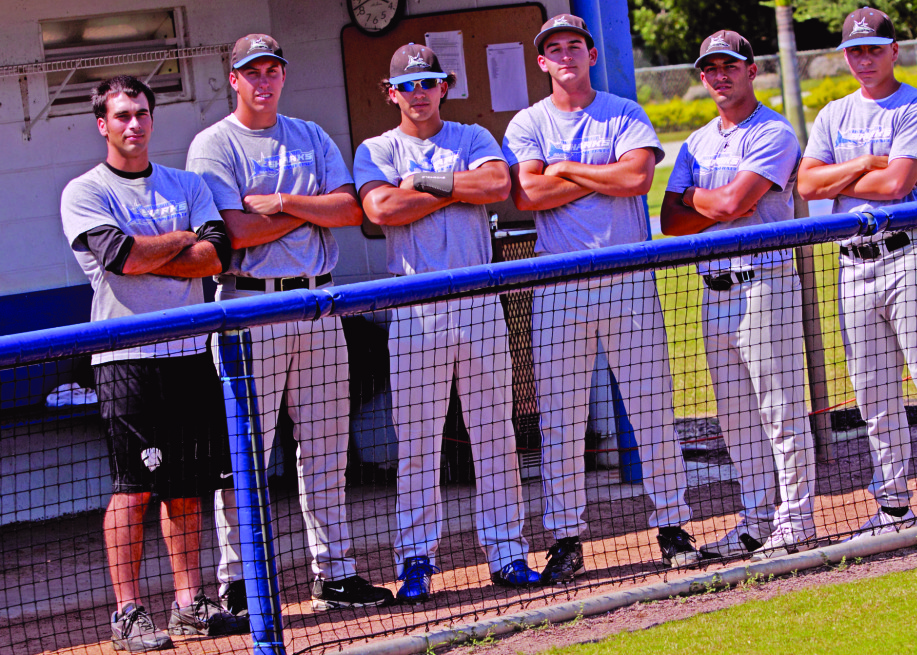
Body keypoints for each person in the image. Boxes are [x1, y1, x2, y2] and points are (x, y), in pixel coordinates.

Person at [186, 34, 393, 611]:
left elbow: (350, 210)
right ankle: (240, 581)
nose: (263, 80)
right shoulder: (214, 144)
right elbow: (234, 233)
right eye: (252, 71)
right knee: (244, 454)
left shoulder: (310, 134)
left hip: (318, 303)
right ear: (234, 79)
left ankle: (335, 571)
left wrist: (278, 203)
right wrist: (308, 205)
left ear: (282, 74)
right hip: (249, 305)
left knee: (325, 450)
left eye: (272, 69)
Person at [503, 14, 699, 584]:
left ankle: (673, 525)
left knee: (652, 408)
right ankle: (565, 537)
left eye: (574, 46)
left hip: (626, 272)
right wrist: (597, 173)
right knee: (561, 419)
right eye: (553, 49)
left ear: (591, 54)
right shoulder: (528, 121)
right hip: (559, 281)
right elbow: (531, 193)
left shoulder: (624, 111)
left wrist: (565, 168)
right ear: (541, 62)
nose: (565, 55)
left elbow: (637, 179)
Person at [61, 75, 245, 651]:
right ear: (103, 124)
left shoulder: (186, 182)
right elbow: (120, 259)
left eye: (141, 113)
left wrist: (157, 249)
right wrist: (180, 240)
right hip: (127, 360)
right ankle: (128, 613)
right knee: (134, 488)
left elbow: (216, 253)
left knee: (187, 489)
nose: (133, 124)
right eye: (121, 116)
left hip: (190, 355)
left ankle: (189, 605)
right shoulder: (84, 191)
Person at [354, 43, 541, 603]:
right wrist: (450, 190)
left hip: (478, 298)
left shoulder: (474, 137)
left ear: (444, 85)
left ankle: (507, 550)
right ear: (392, 92)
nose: (418, 93)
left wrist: (426, 186)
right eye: (407, 85)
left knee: (495, 436)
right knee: (417, 444)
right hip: (414, 308)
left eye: (428, 82)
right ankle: (416, 558)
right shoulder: (376, 147)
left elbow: (496, 188)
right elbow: (381, 210)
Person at [797, 7, 917, 538]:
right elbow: (808, 187)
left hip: (907, 255)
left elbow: (897, 184)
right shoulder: (833, 113)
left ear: (893, 50)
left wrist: (846, 176)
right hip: (853, 263)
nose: (863, 59)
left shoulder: (915, 106)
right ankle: (895, 505)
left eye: (873, 48)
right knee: (874, 395)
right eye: (854, 50)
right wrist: (862, 165)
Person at [661, 31, 817, 560]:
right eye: (710, 68)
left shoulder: (774, 131)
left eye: (730, 65)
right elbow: (671, 221)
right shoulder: (696, 141)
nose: (720, 75)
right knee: (737, 417)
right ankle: (755, 520)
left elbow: (729, 204)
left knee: (780, 411)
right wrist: (717, 204)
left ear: (752, 70)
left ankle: (797, 519)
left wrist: (699, 198)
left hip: (763, 283)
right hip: (714, 290)